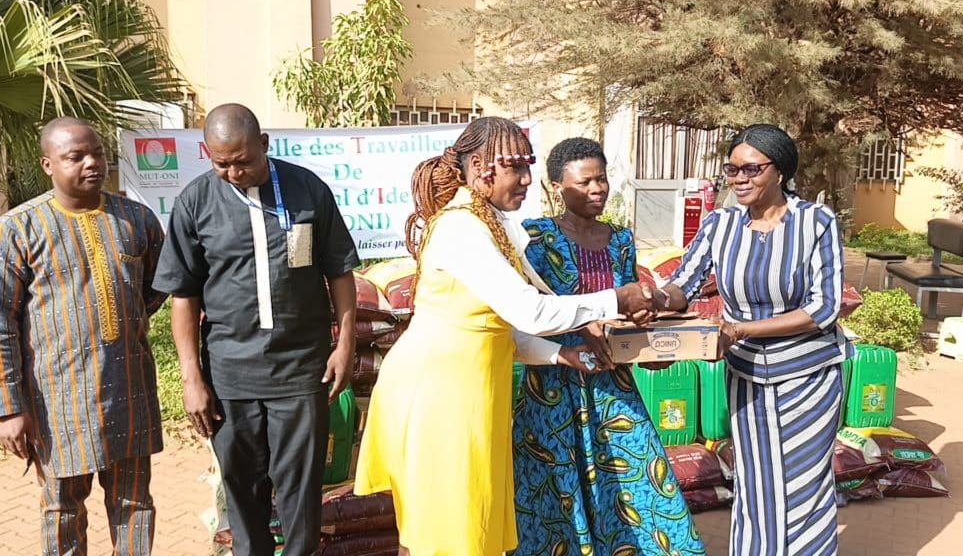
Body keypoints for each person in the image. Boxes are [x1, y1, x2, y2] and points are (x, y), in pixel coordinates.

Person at [354, 117, 656, 556]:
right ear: (481, 167)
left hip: (474, 394)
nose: (528, 180)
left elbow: (498, 327)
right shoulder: (461, 228)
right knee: (442, 534)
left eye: (528, 167)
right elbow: (529, 311)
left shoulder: (491, 223)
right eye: (517, 167)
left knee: (466, 526)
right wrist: (615, 299)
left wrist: (560, 355)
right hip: (438, 396)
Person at [153, 103, 359, 556]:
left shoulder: (307, 190)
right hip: (230, 375)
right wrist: (191, 379)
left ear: (263, 144)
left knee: (300, 494)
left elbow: (339, 271)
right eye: (221, 163)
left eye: (243, 161)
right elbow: (183, 296)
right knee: (243, 494)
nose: (233, 172)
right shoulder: (196, 202)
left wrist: (345, 344)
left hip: (300, 371)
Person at [654, 124, 853, 556]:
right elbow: (683, 284)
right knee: (756, 479)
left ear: (780, 171)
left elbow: (823, 308)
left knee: (803, 483)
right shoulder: (720, 224)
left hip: (808, 377)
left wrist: (741, 329)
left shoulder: (815, 221)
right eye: (732, 170)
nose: (739, 179)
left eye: (751, 169)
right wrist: (652, 299)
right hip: (746, 377)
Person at [511, 137, 705, 555]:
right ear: (556, 187)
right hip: (553, 384)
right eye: (584, 182)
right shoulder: (535, 239)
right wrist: (583, 325)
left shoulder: (620, 240)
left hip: (613, 384)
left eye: (601, 179)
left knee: (639, 481)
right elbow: (532, 310)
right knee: (556, 489)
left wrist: (645, 331)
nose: (597, 189)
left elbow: (628, 304)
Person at [0, 117, 166, 554]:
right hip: (58, 402)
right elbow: (2, 323)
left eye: (97, 153)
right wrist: (9, 408)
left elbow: (154, 289)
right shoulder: (19, 228)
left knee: (135, 505)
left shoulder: (136, 218)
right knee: (62, 511)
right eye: (75, 157)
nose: (91, 163)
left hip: (129, 390)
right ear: (48, 165)